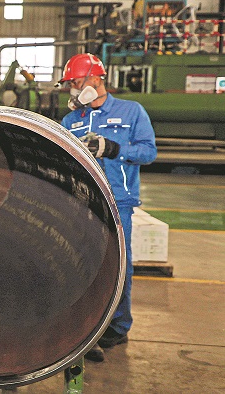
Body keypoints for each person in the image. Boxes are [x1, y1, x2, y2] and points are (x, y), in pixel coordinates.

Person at [58, 53, 157, 363]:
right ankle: (88, 327)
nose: (73, 89)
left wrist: (114, 149)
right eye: (70, 84)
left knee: (118, 266)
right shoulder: (71, 121)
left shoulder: (131, 111)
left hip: (119, 202)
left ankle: (118, 325)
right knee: (84, 265)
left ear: (94, 79)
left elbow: (148, 152)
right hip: (83, 204)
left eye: (75, 82)